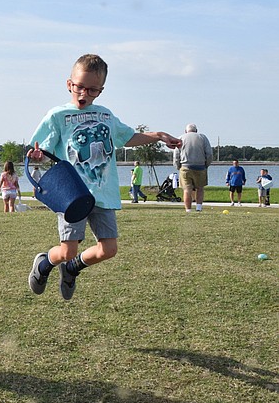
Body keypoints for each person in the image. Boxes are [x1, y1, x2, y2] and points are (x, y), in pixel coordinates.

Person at [26, 54, 181, 301]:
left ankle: (73, 268)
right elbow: (42, 152)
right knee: (67, 250)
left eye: (92, 90)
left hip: (103, 192)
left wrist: (159, 135)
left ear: (101, 90)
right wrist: (37, 157)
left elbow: (128, 137)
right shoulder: (57, 116)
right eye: (79, 87)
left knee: (109, 250)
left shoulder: (106, 115)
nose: (84, 94)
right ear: (69, 84)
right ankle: (44, 264)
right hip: (72, 195)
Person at [172, 124, 213, 212]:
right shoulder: (203, 138)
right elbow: (209, 153)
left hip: (185, 166)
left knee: (187, 189)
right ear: (196, 130)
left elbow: (176, 156)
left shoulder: (181, 138)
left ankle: (188, 210)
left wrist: (178, 166)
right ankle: (198, 208)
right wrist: (206, 165)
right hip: (200, 166)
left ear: (185, 131)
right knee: (200, 188)